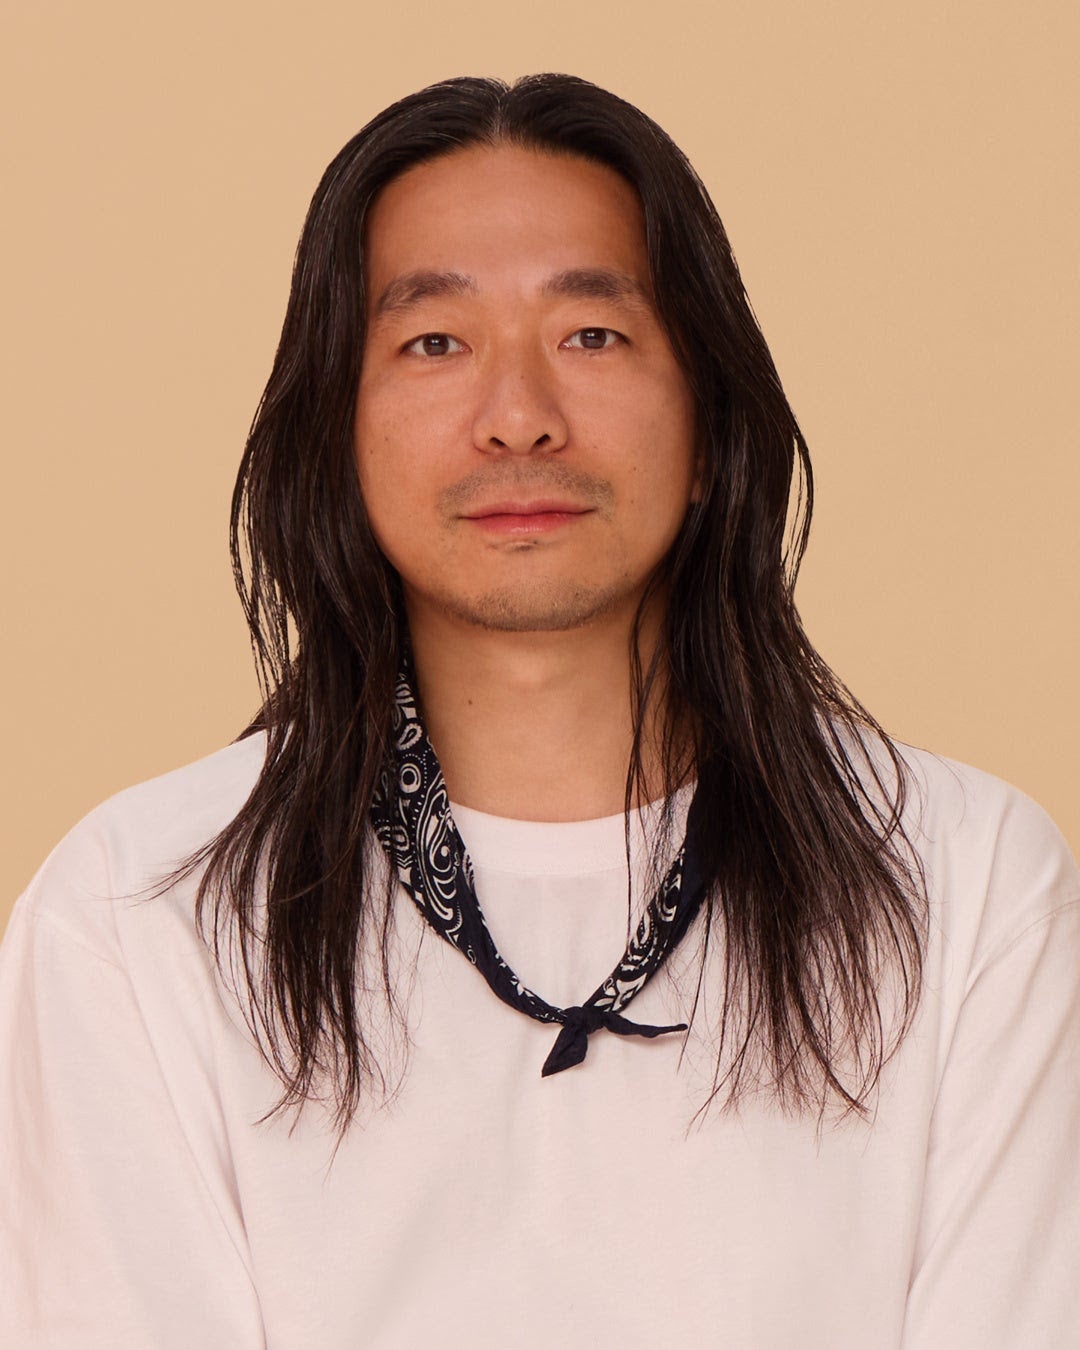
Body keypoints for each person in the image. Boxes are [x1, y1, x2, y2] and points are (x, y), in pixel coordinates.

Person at [2, 74, 1078, 1350]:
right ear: (334, 429)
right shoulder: (139, 909)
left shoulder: (966, 882)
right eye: (434, 343)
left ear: (711, 418)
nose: (518, 419)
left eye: (592, 335)